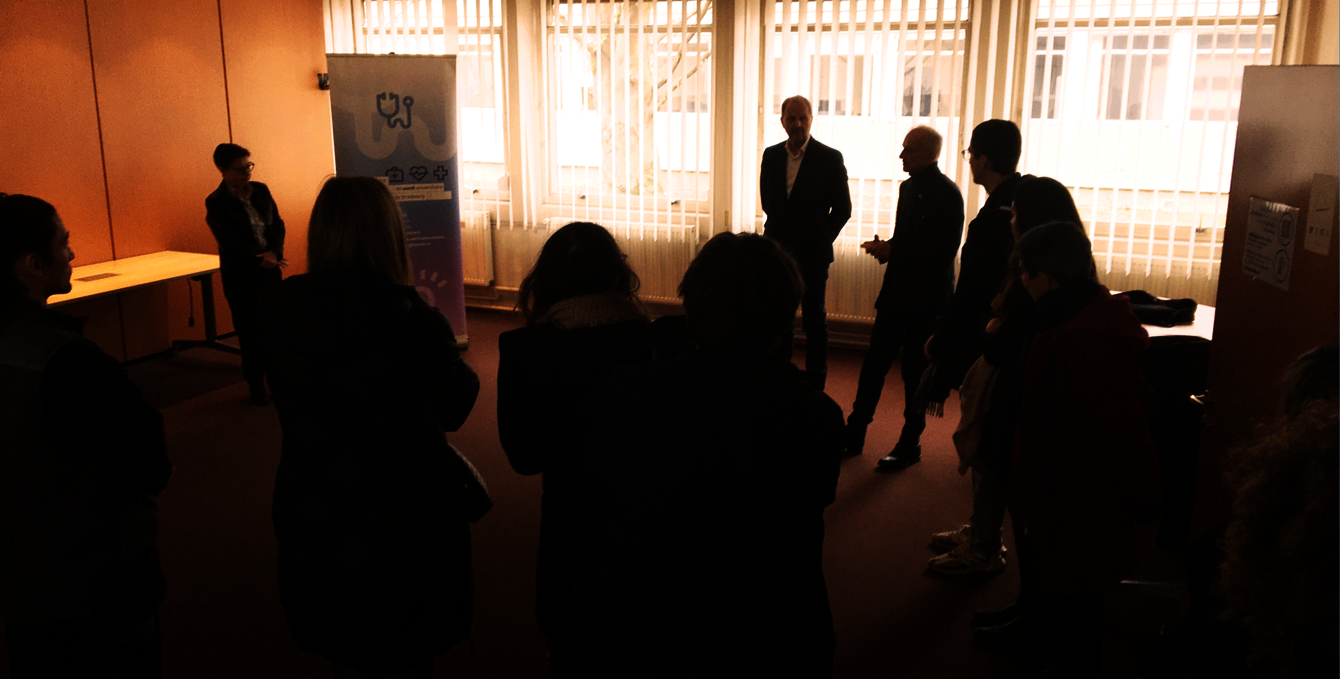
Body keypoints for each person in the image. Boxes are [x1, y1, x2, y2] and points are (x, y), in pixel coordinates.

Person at [559, 232, 844, 677]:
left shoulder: (624, 395)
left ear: (691, 306)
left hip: (645, 628)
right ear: (784, 321)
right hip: (771, 633)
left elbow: (596, 497)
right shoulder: (817, 417)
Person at [262, 177, 482, 678]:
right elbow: (456, 406)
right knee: (405, 640)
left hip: (315, 495)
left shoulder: (280, 310)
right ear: (390, 234)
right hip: (402, 507)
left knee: (343, 630)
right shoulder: (414, 321)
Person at [0, 193, 172, 677]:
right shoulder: (65, 362)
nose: (72, 254)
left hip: (20, 578)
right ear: (33, 265)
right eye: (64, 243)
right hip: (94, 580)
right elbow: (148, 461)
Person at [1005, 221, 1161, 677]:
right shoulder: (1071, 315)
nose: (1021, 282)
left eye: (1025, 273)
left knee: (1076, 611)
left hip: (1077, 494)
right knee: (1068, 599)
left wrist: (1144, 492)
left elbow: (1116, 431)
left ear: (1046, 278)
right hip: (1063, 487)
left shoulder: (1082, 343)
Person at [496, 221, 654, 662]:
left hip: (569, 516)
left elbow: (524, 457)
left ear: (544, 279)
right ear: (618, 273)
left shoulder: (527, 350)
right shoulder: (650, 341)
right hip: (643, 524)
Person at [929, 177, 1082, 577]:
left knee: (993, 459)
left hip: (1018, 381)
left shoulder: (1039, 269)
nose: (1010, 221)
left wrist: (994, 326)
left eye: (1015, 214)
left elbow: (1005, 339)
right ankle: (981, 529)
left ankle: (984, 546)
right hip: (1018, 375)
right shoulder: (1065, 261)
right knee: (989, 459)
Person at [845, 125, 964, 466]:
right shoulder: (908, 188)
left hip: (926, 301)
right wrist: (888, 247)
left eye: (908, 149)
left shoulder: (949, 195)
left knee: (914, 373)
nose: (901, 155)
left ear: (929, 154)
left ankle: (911, 443)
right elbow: (908, 240)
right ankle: (854, 432)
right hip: (896, 293)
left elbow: (941, 255)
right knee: (873, 365)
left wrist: (893, 251)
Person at [915, 121, 1028, 473]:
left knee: (985, 426)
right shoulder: (1024, 201)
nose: (969, 161)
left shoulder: (995, 218)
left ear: (983, 160)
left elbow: (972, 291)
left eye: (970, 154)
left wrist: (942, 337)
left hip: (991, 335)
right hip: (1016, 333)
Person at [759, 95, 853, 391]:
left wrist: (821, 238)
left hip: (814, 254)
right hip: (778, 253)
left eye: (803, 118)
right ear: (782, 121)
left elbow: (843, 209)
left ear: (811, 119)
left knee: (814, 320)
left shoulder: (829, 158)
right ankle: (780, 377)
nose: (797, 124)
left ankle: (816, 382)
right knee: (780, 318)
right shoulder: (771, 155)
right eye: (791, 118)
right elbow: (768, 204)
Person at [205, 143, 286, 405]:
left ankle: (279, 382)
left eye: (248, 166)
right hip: (241, 276)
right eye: (240, 169)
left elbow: (278, 224)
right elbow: (228, 241)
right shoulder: (216, 202)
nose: (247, 172)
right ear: (222, 170)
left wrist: (274, 253)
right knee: (249, 332)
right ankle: (256, 386)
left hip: (270, 270)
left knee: (275, 329)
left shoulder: (261, 190)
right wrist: (260, 258)